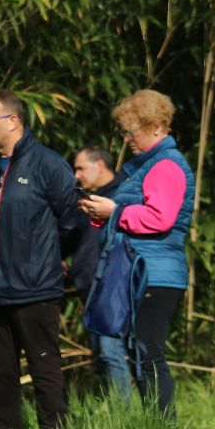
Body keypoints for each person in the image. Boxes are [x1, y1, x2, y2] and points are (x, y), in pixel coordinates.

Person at [0, 90, 85, 429]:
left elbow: (73, 222)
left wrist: (47, 260)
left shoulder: (48, 165)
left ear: (13, 121)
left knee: (44, 368)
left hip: (36, 289)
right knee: (2, 372)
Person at [79, 90, 195, 418]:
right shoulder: (149, 165)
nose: (126, 138)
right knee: (139, 353)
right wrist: (102, 212)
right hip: (143, 269)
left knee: (148, 353)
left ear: (156, 126)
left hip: (154, 272)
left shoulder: (166, 166)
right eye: (124, 131)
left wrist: (114, 209)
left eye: (132, 131)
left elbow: (161, 218)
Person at [70, 145, 131, 400]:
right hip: (91, 289)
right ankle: (115, 411)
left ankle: (122, 417)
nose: (76, 175)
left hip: (116, 288)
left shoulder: (123, 195)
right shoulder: (88, 200)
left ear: (100, 165)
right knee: (100, 355)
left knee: (111, 349)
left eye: (81, 168)